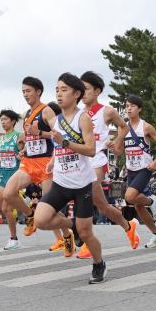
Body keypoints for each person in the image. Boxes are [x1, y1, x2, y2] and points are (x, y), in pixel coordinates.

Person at [33, 73, 106, 283]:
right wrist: (54, 158)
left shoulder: (83, 118)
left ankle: (98, 263)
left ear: (76, 94)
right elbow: (56, 142)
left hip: (82, 184)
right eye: (57, 89)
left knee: (85, 232)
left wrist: (65, 143)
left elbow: (91, 150)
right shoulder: (55, 120)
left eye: (64, 90)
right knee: (40, 220)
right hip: (61, 182)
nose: (59, 93)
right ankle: (69, 223)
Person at [76, 71, 138, 258]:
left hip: (98, 160)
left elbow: (125, 127)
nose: (82, 93)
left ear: (97, 91)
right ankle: (129, 225)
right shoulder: (77, 113)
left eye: (86, 89)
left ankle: (87, 239)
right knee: (103, 207)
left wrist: (116, 141)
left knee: (84, 194)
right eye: (80, 89)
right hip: (80, 160)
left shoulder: (107, 111)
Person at [2, 77, 58, 240]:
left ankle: (67, 234)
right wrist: (24, 149)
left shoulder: (47, 110)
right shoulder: (26, 114)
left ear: (38, 91)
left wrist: (39, 132)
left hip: (45, 163)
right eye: (23, 92)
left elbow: (59, 135)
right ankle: (30, 215)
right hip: (28, 162)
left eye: (28, 91)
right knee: (8, 193)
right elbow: (32, 139)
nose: (25, 95)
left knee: (50, 208)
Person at [122, 95, 156, 248]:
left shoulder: (146, 127)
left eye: (132, 106)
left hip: (145, 168)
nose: (129, 108)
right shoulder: (122, 127)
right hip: (131, 169)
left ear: (139, 109)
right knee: (137, 206)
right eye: (127, 106)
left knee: (129, 197)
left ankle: (152, 201)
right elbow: (118, 150)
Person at [0, 110, 24, 249]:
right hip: (2, 175)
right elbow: (1, 156)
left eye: (5, 119)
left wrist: (22, 156)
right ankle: (25, 210)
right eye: (1, 119)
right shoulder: (2, 138)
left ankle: (14, 239)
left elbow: (23, 153)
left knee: (5, 208)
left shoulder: (18, 136)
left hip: (14, 175)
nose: (3, 122)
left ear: (13, 121)